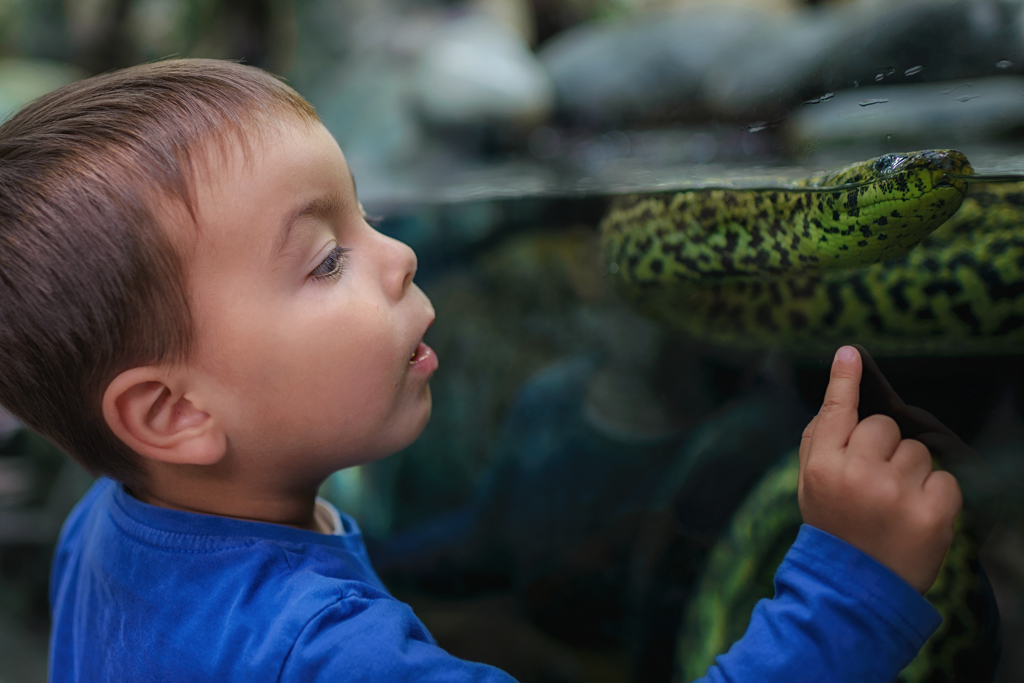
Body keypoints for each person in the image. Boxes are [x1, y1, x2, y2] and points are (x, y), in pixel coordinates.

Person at [0, 59, 961, 682]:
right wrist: (852, 584)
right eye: (326, 258)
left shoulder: (108, 528)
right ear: (171, 414)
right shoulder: (338, 657)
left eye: (365, 214)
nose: (400, 255)